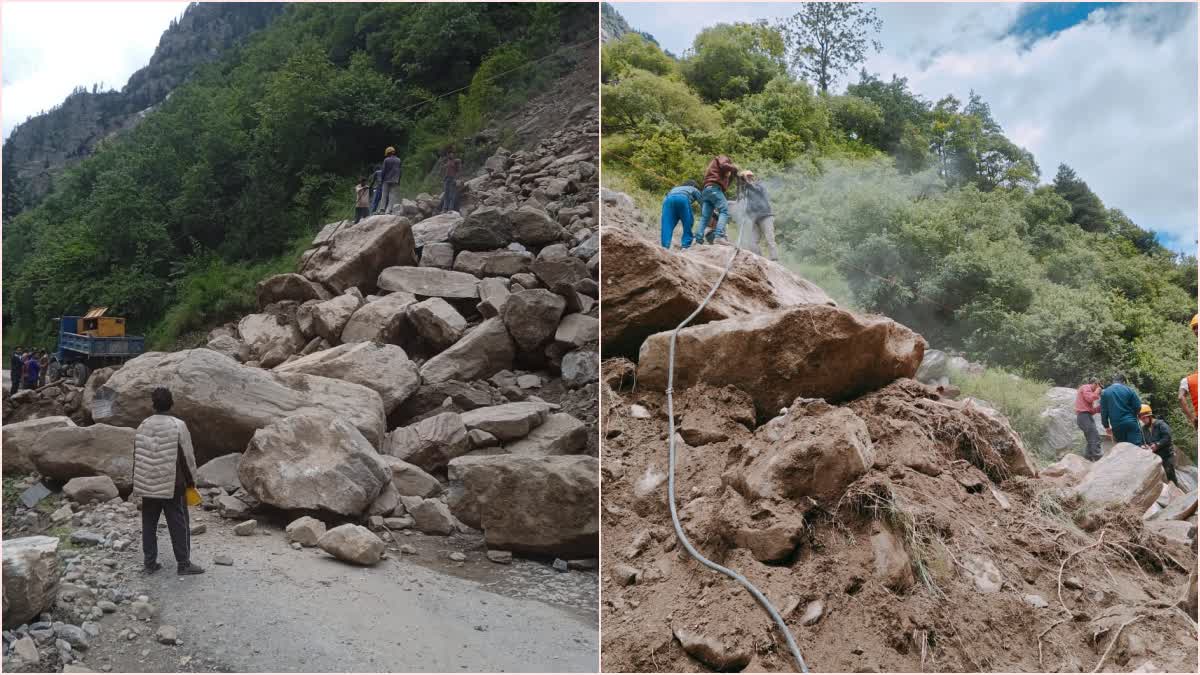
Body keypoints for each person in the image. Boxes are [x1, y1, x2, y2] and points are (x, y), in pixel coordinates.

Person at [133, 387, 203, 575]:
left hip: (147, 483)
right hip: (173, 485)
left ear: (153, 404)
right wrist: (192, 482)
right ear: (171, 403)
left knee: (149, 523)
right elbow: (187, 457)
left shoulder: (143, 425)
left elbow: (138, 456)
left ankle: (149, 563)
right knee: (178, 524)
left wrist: (137, 485)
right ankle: (183, 564)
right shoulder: (178, 425)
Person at [697, 155, 740, 246]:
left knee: (705, 217)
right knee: (724, 210)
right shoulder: (723, 158)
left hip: (706, 190)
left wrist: (733, 174)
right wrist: (734, 167)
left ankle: (698, 239)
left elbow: (726, 184)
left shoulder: (717, 171)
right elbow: (724, 165)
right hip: (714, 188)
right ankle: (719, 237)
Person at [737, 170, 778, 261]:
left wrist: (747, 183)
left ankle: (774, 258)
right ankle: (760, 259)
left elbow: (757, 189)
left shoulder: (759, 185)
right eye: (747, 177)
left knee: (769, 238)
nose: (748, 178)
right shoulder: (745, 190)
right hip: (755, 219)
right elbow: (744, 204)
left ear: (752, 177)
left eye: (749, 176)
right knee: (752, 241)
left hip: (766, 215)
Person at [1139, 405, 1180, 488]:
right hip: (1155, 456)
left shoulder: (1160, 424)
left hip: (1166, 454)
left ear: (1149, 416)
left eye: (1144, 418)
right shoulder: (1144, 429)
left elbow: (1167, 437)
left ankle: (1176, 490)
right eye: (1141, 419)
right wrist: (1146, 445)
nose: (1143, 420)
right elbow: (1145, 441)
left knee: (1170, 474)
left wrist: (1157, 444)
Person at [1100, 373, 1143, 445]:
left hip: (1117, 425)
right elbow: (1138, 406)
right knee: (1136, 446)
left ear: (1113, 381)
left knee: (1122, 448)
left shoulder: (1105, 392)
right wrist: (1134, 415)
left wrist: (1106, 426)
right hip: (1130, 422)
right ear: (1123, 382)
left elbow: (1104, 411)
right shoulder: (1129, 390)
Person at [660, 180, 702, 249]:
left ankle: (665, 246)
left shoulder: (674, 188)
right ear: (693, 185)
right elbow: (703, 203)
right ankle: (685, 245)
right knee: (688, 222)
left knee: (667, 225)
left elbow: (665, 199)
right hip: (683, 198)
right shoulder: (693, 188)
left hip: (668, 201)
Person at [1074, 377, 1103, 461]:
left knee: (1091, 438)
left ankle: (1088, 458)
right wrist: (1098, 391)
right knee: (1094, 436)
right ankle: (1098, 457)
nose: (1100, 389)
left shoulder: (1088, 391)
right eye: (1099, 386)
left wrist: (1100, 408)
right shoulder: (1085, 387)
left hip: (1085, 416)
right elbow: (1090, 398)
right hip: (1084, 417)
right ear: (1096, 384)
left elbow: (1091, 410)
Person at [377, 147, 402, 214]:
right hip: (395, 180)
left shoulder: (386, 160)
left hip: (386, 180)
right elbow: (400, 171)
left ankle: (382, 210)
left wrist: (381, 180)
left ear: (388, 153)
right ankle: (389, 210)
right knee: (392, 195)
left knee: (384, 194)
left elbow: (383, 171)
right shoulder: (398, 160)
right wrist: (399, 180)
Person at [439, 148, 462, 214]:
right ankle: (444, 209)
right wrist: (443, 178)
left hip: (452, 179)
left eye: (452, 154)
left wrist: (457, 179)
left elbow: (459, 171)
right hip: (446, 179)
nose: (451, 155)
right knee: (446, 194)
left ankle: (450, 209)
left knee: (452, 195)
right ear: (448, 155)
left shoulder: (456, 161)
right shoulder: (447, 161)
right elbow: (443, 171)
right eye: (450, 154)